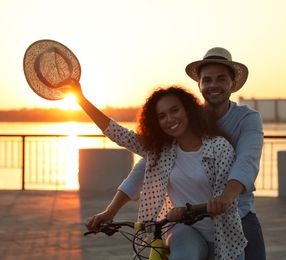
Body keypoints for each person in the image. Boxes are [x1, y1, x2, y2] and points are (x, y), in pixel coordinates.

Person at [86, 47, 266, 260]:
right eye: (207, 80)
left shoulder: (244, 122)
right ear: (199, 85)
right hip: (186, 223)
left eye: (221, 79)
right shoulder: (186, 121)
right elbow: (147, 162)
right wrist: (110, 211)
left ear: (233, 83)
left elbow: (247, 160)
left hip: (236, 213)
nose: (213, 85)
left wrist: (225, 198)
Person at [70, 82, 246, 260]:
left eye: (174, 110)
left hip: (225, 237)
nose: (169, 119)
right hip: (185, 230)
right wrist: (81, 100)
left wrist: (186, 210)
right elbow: (119, 134)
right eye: (162, 116)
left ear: (188, 110)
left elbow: (227, 201)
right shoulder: (162, 151)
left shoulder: (219, 146)